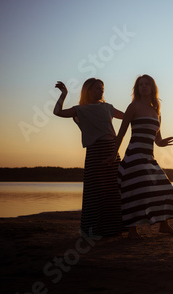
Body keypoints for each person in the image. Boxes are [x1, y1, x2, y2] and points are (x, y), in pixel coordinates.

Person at [108, 74, 173, 239]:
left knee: (166, 187)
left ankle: (164, 225)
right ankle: (133, 231)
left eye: (147, 84)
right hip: (134, 155)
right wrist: (113, 155)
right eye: (141, 85)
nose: (144, 86)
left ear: (153, 88)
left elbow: (157, 139)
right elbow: (122, 133)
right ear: (137, 89)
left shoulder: (157, 111)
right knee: (135, 190)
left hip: (148, 156)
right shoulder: (133, 107)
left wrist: (162, 143)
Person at [53, 78, 124, 237]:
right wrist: (64, 94)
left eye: (102, 88)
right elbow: (57, 112)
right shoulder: (80, 109)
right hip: (94, 152)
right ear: (88, 90)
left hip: (112, 150)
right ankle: (92, 231)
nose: (101, 91)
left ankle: (114, 230)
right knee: (95, 192)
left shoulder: (108, 107)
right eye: (97, 88)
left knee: (114, 190)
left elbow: (128, 117)